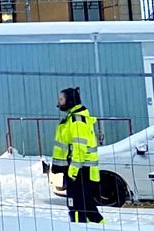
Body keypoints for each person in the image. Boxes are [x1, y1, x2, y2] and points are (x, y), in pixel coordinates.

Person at [50, 87, 103, 224]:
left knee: (78, 206)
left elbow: (79, 148)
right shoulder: (72, 118)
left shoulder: (77, 120)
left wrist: (73, 170)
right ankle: (97, 224)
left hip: (80, 170)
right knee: (86, 205)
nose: (59, 102)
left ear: (70, 100)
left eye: (61, 99)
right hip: (77, 168)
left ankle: (82, 225)